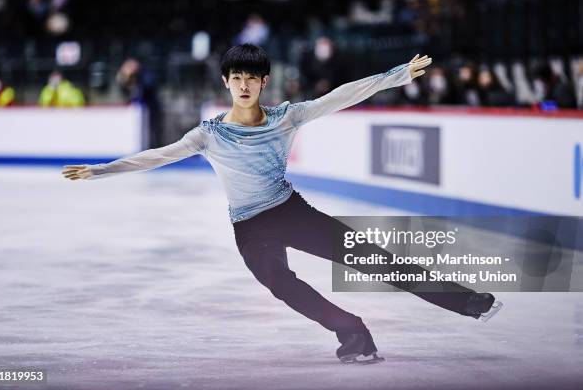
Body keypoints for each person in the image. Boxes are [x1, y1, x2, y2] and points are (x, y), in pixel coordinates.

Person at [62, 44, 503, 364]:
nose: (243, 85)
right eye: (235, 78)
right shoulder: (209, 134)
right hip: (250, 228)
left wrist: (397, 75)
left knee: (374, 260)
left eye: (251, 78)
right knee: (279, 281)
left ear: (263, 82)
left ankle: (469, 302)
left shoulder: (285, 117)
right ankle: (352, 332)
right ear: (226, 82)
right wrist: (102, 170)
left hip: (291, 211)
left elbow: (339, 96)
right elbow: (156, 156)